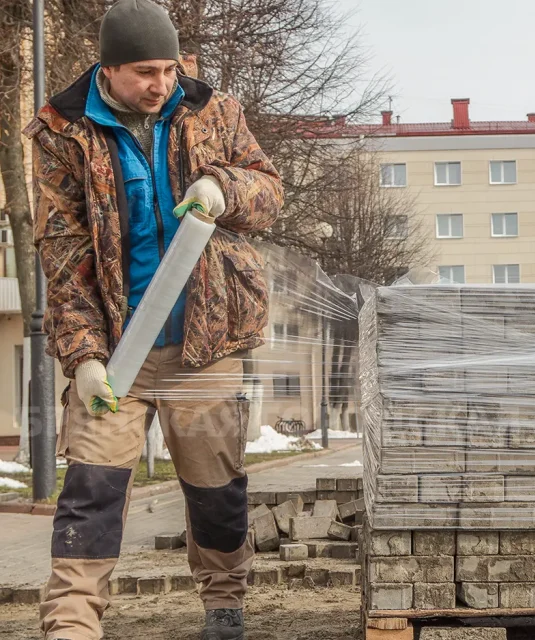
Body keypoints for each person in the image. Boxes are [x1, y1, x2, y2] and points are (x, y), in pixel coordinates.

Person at [25, 1, 282, 638]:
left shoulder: (212, 110)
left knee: (215, 488)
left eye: (169, 69)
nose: (161, 84)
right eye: (145, 71)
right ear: (107, 70)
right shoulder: (62, 131)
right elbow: (63, 250)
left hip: (206, 341)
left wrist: (226, 185)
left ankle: (224, 607)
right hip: (116, 350)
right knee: (91, 489)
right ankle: (71, 624)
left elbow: (267, 191)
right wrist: (82, 356)